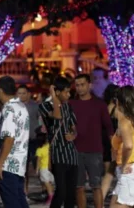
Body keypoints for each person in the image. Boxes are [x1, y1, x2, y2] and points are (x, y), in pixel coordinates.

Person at [68, 74, 113, 208]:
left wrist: (114, 148)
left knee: (96, 185)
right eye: (77, 85)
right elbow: (67, 125)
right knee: (78, 186)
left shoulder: (99, 104)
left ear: (89, 85)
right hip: (75, 150)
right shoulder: (71, 104)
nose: (80, 88)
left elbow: (109, 127)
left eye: (82, 84)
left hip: (95, 150)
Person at [40, 77, 78, 208]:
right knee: (61, 192)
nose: (69, 94)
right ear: (57, 92)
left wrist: (73, 135)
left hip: (71, 155)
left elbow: (74, 128)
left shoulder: (68, 106)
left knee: (70, 194)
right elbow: (57, 116)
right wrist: (54, 97)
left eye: (69, 92)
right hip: (58, 154)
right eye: (66, 92)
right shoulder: (44, 106)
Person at [0, 76, 30, 208]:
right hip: (19, 163)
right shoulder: (21, 105)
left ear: (0, 90)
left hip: (9, 164)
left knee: (12, 203)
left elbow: (9, 138)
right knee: (20, 200)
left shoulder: (9, 108)